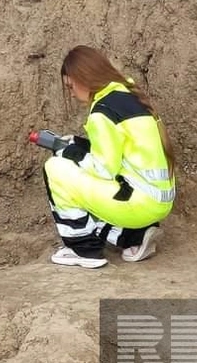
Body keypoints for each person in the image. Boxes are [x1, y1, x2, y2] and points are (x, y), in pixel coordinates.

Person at [42, 46, 177, 269]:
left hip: (138, 203)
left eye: (70, 86)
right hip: (157, 203)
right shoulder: (127, 96)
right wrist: (77, 144)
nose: (72, 93)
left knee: (55, 168)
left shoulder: (102, 112)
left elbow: (104, 170)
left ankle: (83, 249)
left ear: (82, 78)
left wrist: (68, 152)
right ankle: (135, 237)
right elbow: (122, 155)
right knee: (77, 164)